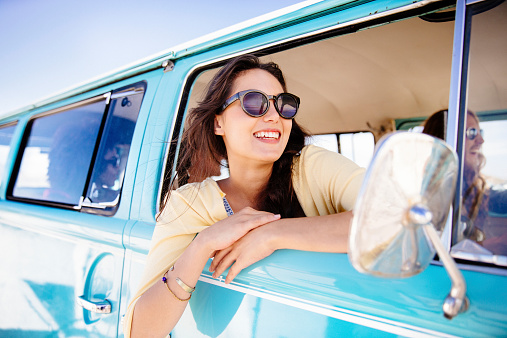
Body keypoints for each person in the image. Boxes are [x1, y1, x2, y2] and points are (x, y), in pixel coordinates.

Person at [124, 55, 365, 337]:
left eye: (283, 104)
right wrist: (202, 245)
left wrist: (273, 234)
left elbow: (390, 219)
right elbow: (139, 331)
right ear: (218, 123)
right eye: (253, 102)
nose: (274, 115)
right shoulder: (189, 204)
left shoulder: (313, 166)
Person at [423, 109, 507, 255]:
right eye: (472, 132)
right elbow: (431, 254)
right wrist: (488, 246)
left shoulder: (473, 186)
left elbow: (498, 196)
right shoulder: (425, 194)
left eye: (480, 132)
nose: (481, 140)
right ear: (446, 140)